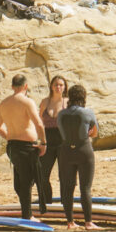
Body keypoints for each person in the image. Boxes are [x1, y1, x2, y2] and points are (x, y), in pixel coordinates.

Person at [0, 74, 48, 220]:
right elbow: (39, 124)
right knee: (26, 181)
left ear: (12, 86)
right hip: (26, 146)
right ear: (26, 86)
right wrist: (43, 142)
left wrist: (9, 136)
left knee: (21, 179)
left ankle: (27, 212)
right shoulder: (27, 102)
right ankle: (27, 215)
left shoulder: (4, 103)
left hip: (12, 146)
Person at [57, 84, 99, 230]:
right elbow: (94, 132)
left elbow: (61, 131)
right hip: (84, 150)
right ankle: (88, 222)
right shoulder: (88, 113)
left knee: (68, 187)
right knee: (85, 188)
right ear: (83, 97)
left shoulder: (61, 114)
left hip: (66, 150)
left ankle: (70, 222)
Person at [38, 75, 68, 204]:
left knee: (64, 176)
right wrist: (38, 139)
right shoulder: (45, 102)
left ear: (65, 87)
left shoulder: (68, 102)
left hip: (63, 141)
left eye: (61, 85)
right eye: (56, 84)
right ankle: (47, 202)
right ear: (51, 86)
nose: (58, 87)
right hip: (47, 140)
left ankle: (65, 203)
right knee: (43, 174)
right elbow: (38, 121)